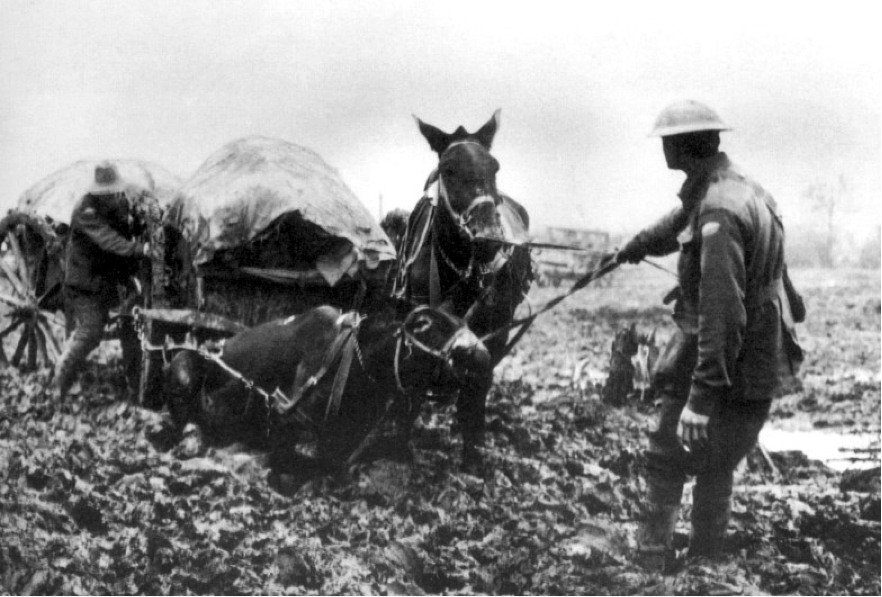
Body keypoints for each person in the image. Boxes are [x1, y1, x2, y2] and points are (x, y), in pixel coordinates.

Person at [614, 100, 803, 570]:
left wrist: (701, 398)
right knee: (717, 464)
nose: (663, 149)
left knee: (666, 452)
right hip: (757, 361)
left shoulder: (719, 211)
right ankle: (705, 565)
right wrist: (638, 245)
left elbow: (722, 313)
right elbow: (680, 221)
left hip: (727, 359)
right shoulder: (734, 187)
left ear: (679, 147)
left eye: (666, 141)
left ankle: (650, 566)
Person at [52, 162, 149, 399]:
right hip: (83, 284)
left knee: (129, 322)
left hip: (106, 282)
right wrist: (140, 249)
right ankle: (59, 382)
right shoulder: (85, 210)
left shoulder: (115, 205)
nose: (113, 196)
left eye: (115, 192)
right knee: (91, 332)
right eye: (109, 192)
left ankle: (136, 383)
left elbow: (125, 230)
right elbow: (108, 240)